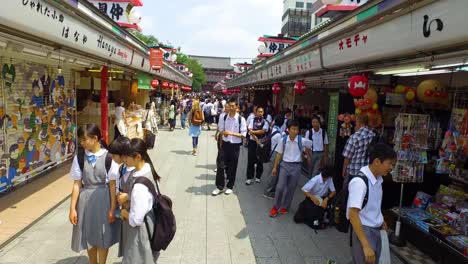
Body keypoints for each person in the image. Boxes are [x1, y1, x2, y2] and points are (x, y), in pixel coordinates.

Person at [69, 124, 121, 264]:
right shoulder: (79, 158)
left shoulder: (109, 157)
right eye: (80, 140)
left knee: (103, 234)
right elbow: (77, 184)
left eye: (84, 139)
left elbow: (112, 184)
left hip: (104, 199)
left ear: (95, 138)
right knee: (89, 234)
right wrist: (72, 208)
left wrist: (112, 208)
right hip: (85, 201)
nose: (81, 143)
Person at [347, 143, 396, 264]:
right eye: (389, 164)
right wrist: (366, 246)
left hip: (375, 229)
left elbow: (373, 204)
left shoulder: (378, 179)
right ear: (377, 161)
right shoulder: (360, 182)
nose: (391, 168)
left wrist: (380, 219)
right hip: (364, 231)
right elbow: (353, 214)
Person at [119, 138, 161, 264]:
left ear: (137, 157)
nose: (124, 160)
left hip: (140, 232)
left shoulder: (139, 186)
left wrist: (124, 214)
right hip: (150, 223)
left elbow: (135, 220)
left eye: (126, 157)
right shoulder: (149, 171)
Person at [269, 119, 313, 217]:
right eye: (293, 129)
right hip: (284, 165)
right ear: (288, 129)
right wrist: (275, 167)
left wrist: (307, 154)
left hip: (297, 167)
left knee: (291, 188)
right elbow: (279, 154)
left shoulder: (302, 140)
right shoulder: (283, 140)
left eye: (297, 129)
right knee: (280, 187)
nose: (295, 131)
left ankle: (285, 206)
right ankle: (275, 207)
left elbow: (310, 144)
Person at [212, 98, 247, 196]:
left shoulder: (241, 119)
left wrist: (231, 133)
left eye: (233, 106)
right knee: (220, 165)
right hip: (224, 144)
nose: (231, 108)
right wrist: (224, 133)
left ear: (237, 107)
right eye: (229, 106)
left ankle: (230, 186)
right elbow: (221, 130)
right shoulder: (223, 117)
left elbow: (243, 134)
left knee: (232, 167)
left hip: (235, 146)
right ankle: (219, 186)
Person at [342, 114, 376, 188]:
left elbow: (347, 157)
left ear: (359, 123)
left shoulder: (354, 137)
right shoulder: (373, 136)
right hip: (368, 173)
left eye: (356, 122)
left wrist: (344, 170)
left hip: (353, 172)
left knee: (348, 194)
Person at [246, 107, 269, 185]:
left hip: (262, 143)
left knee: (260, 160)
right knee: (250, 160)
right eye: (258, 111)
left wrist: (253, 131)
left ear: (263, 113)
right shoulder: (252, 120)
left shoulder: (265, 121)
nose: (260, 113)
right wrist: (256, 140)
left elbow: (263, 131)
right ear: (256, 112)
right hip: (253, 142)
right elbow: (250, 131)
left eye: (261, 112)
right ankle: (249, 177)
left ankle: (258, 176)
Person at [263, 115, 285, 199]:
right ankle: (267, 192)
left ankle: (270, 190)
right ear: (282, 123)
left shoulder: (273, 129)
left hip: (271, 152)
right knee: (273, 174)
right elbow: (281, 147)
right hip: (275, 154)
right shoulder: (279, 134)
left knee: (271, 173)